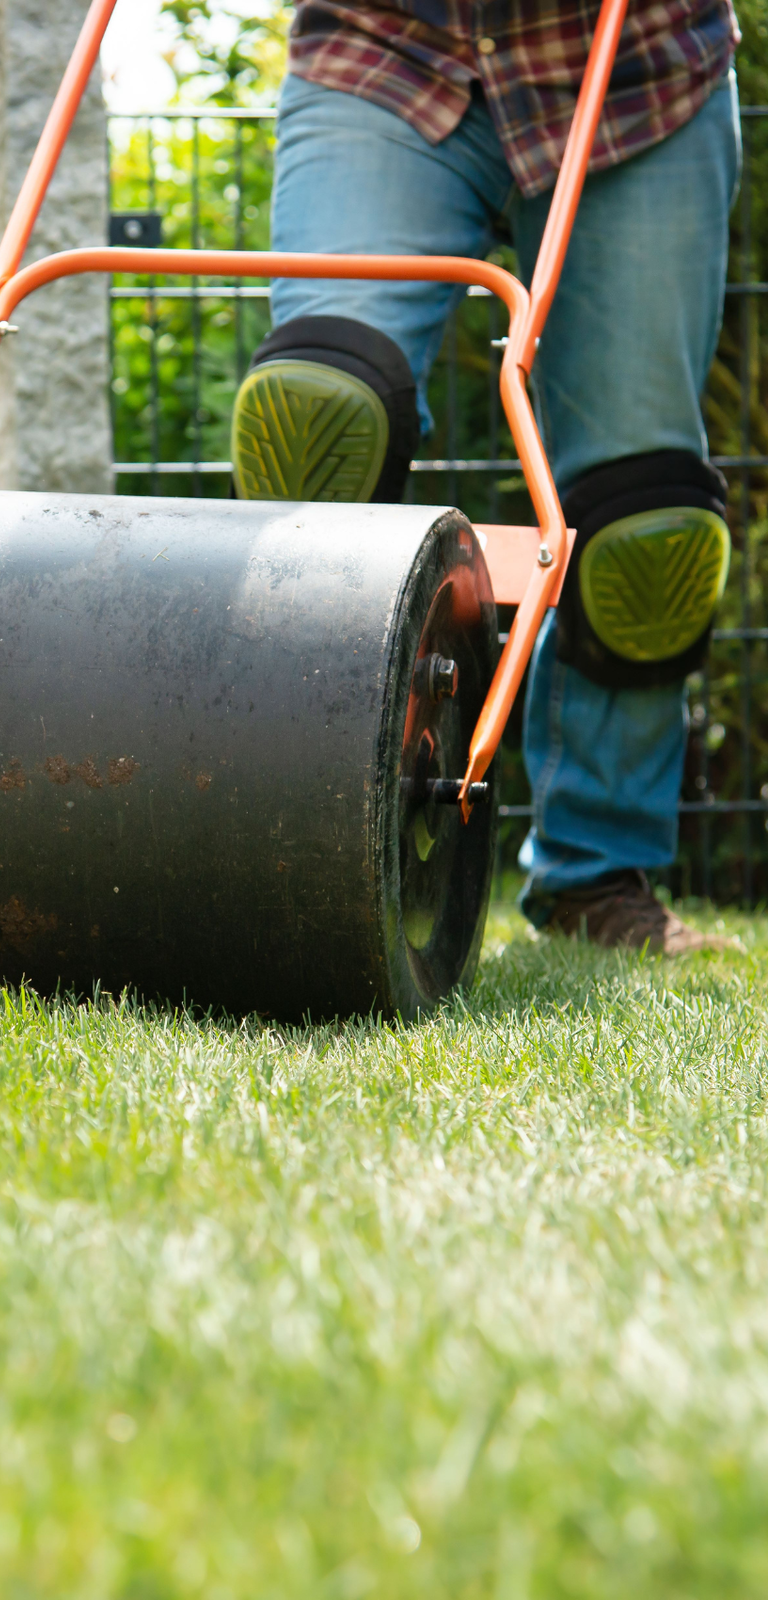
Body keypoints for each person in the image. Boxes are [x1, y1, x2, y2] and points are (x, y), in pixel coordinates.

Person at [230, 0, 741, 953]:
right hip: (386, 48)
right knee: (318, 415)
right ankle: (286, 832)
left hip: (636, 72)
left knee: (646, 525)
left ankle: (597, 880)